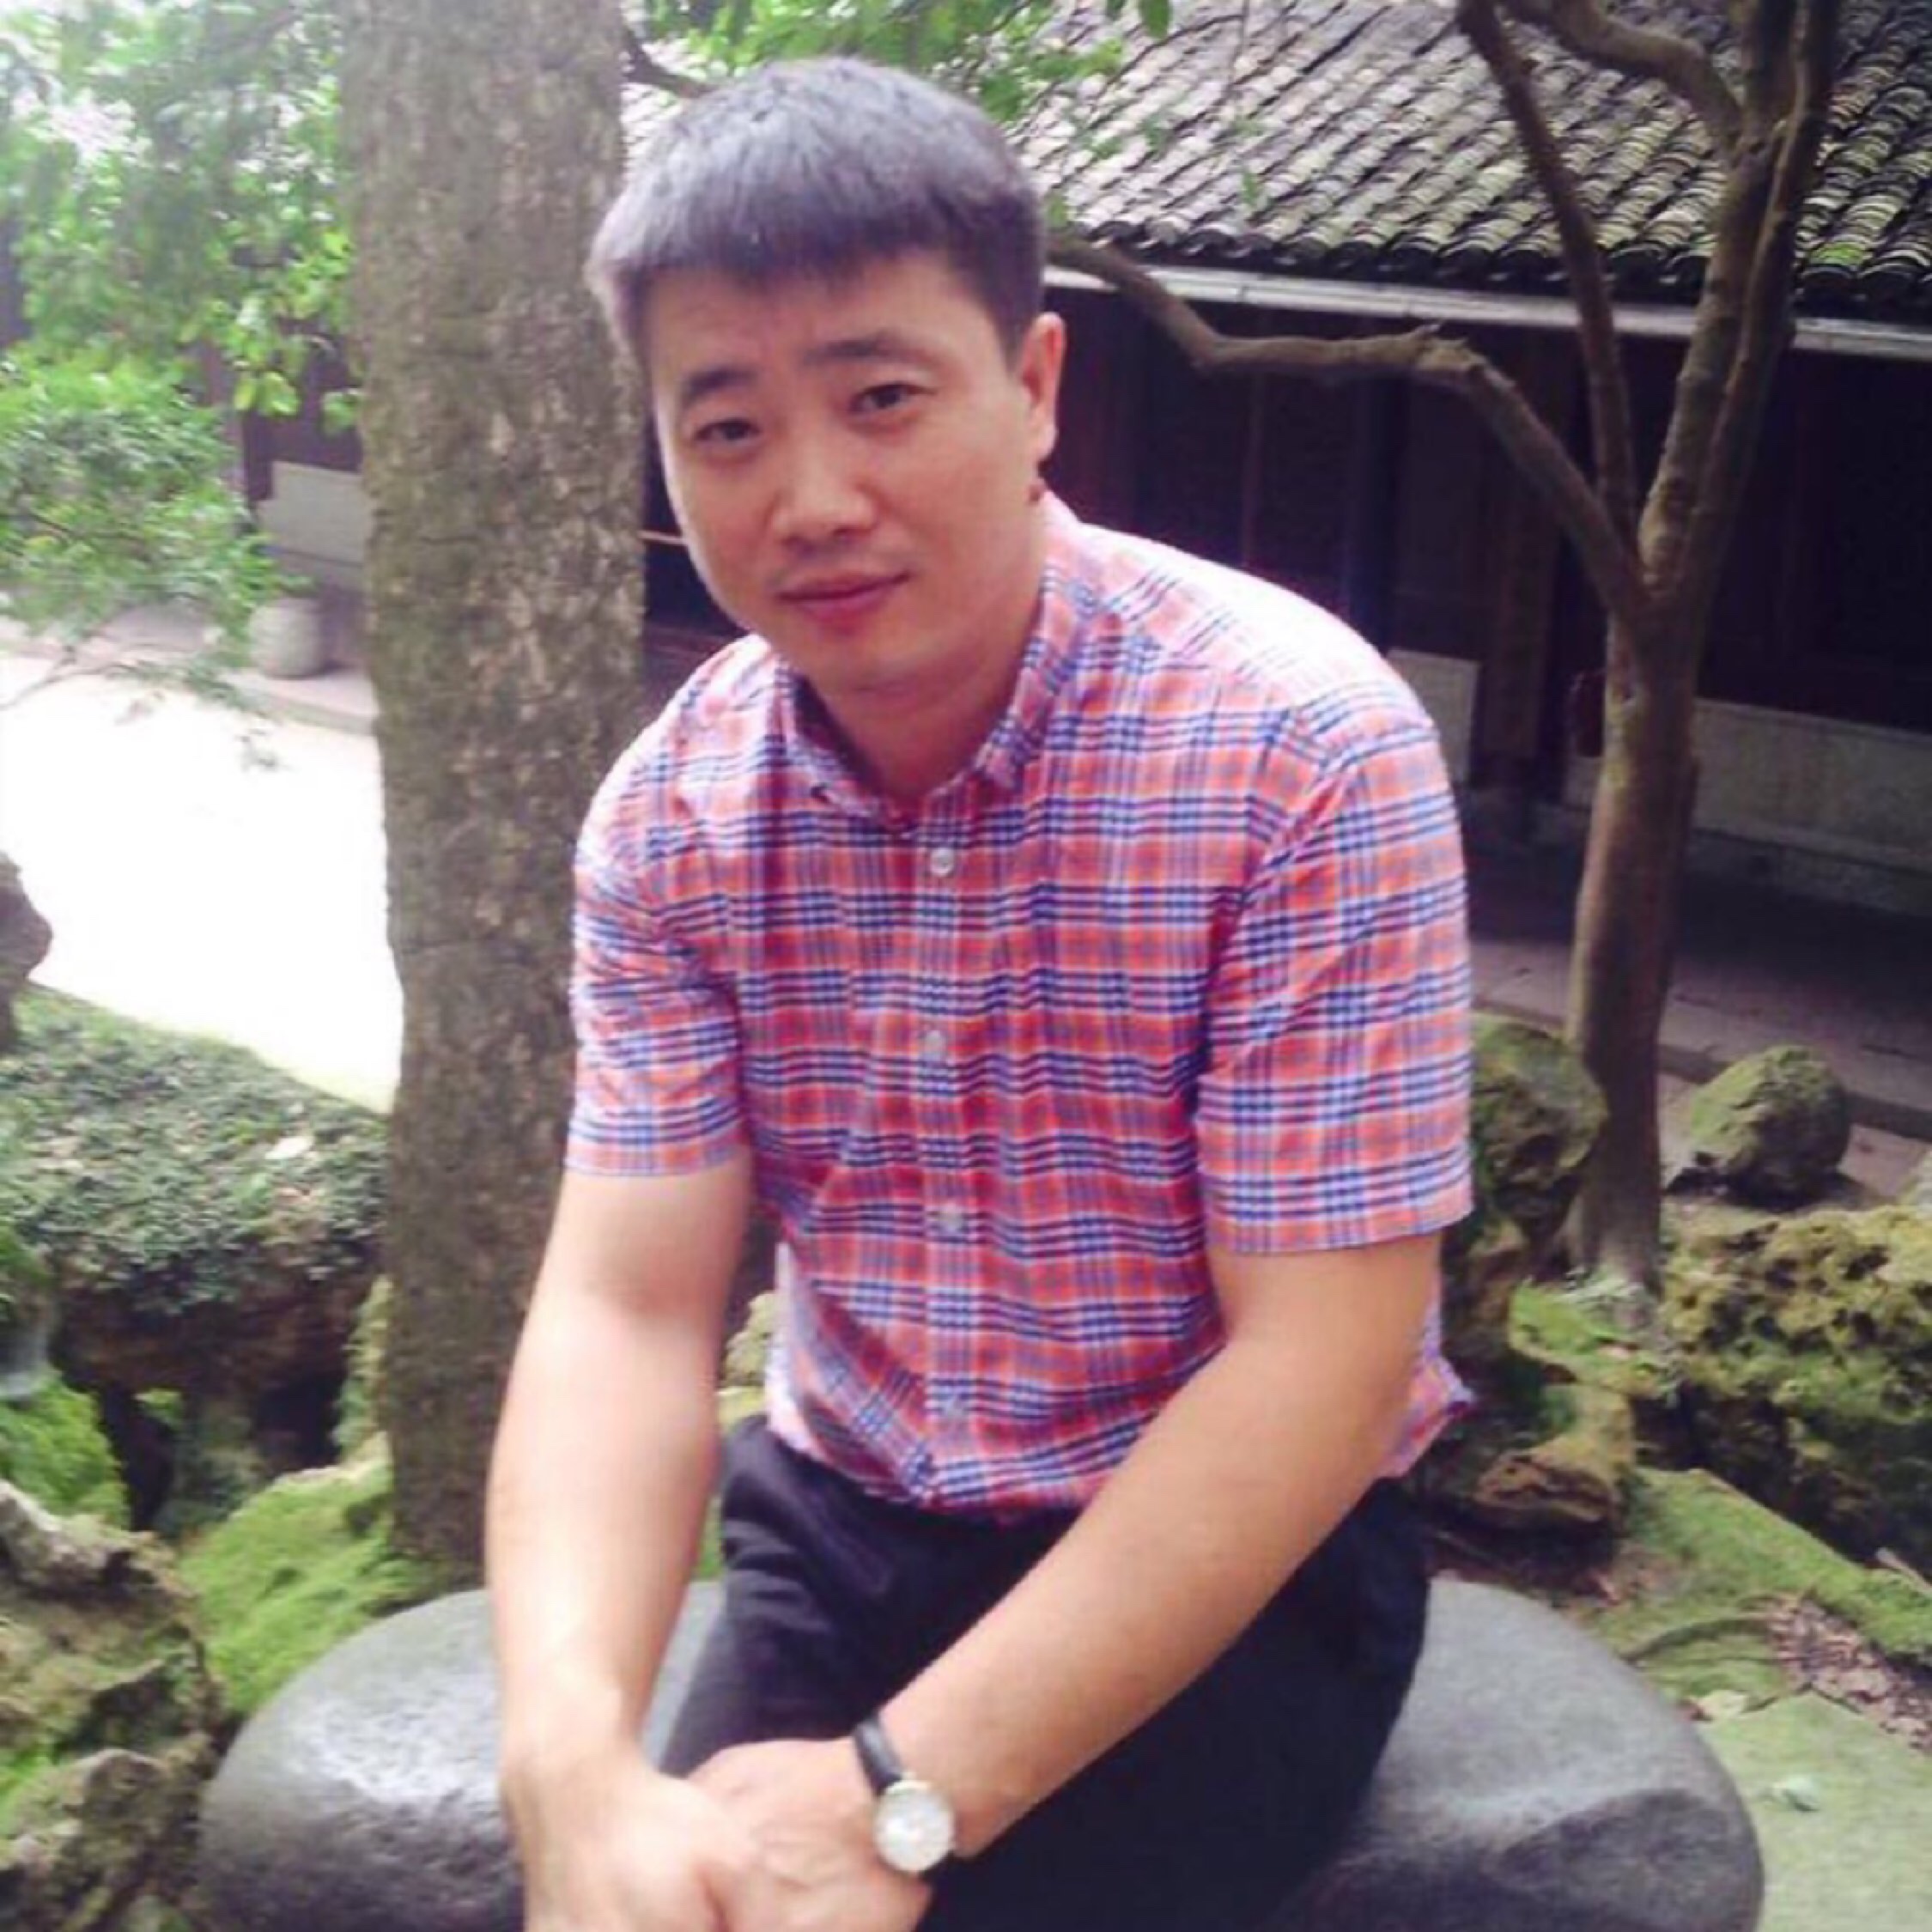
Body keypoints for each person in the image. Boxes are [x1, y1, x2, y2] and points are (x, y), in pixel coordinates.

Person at [486, 55, 1473, 1932]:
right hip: (847, 1518)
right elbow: (628, 1306)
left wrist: (897, 1801)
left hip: (1232, 1548)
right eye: (728, 428)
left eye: (881, 397)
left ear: (1032, 388)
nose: (813, 499)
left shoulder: (1299, 750)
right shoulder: (672, 817)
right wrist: (565, 1755)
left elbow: (1319, 1361)